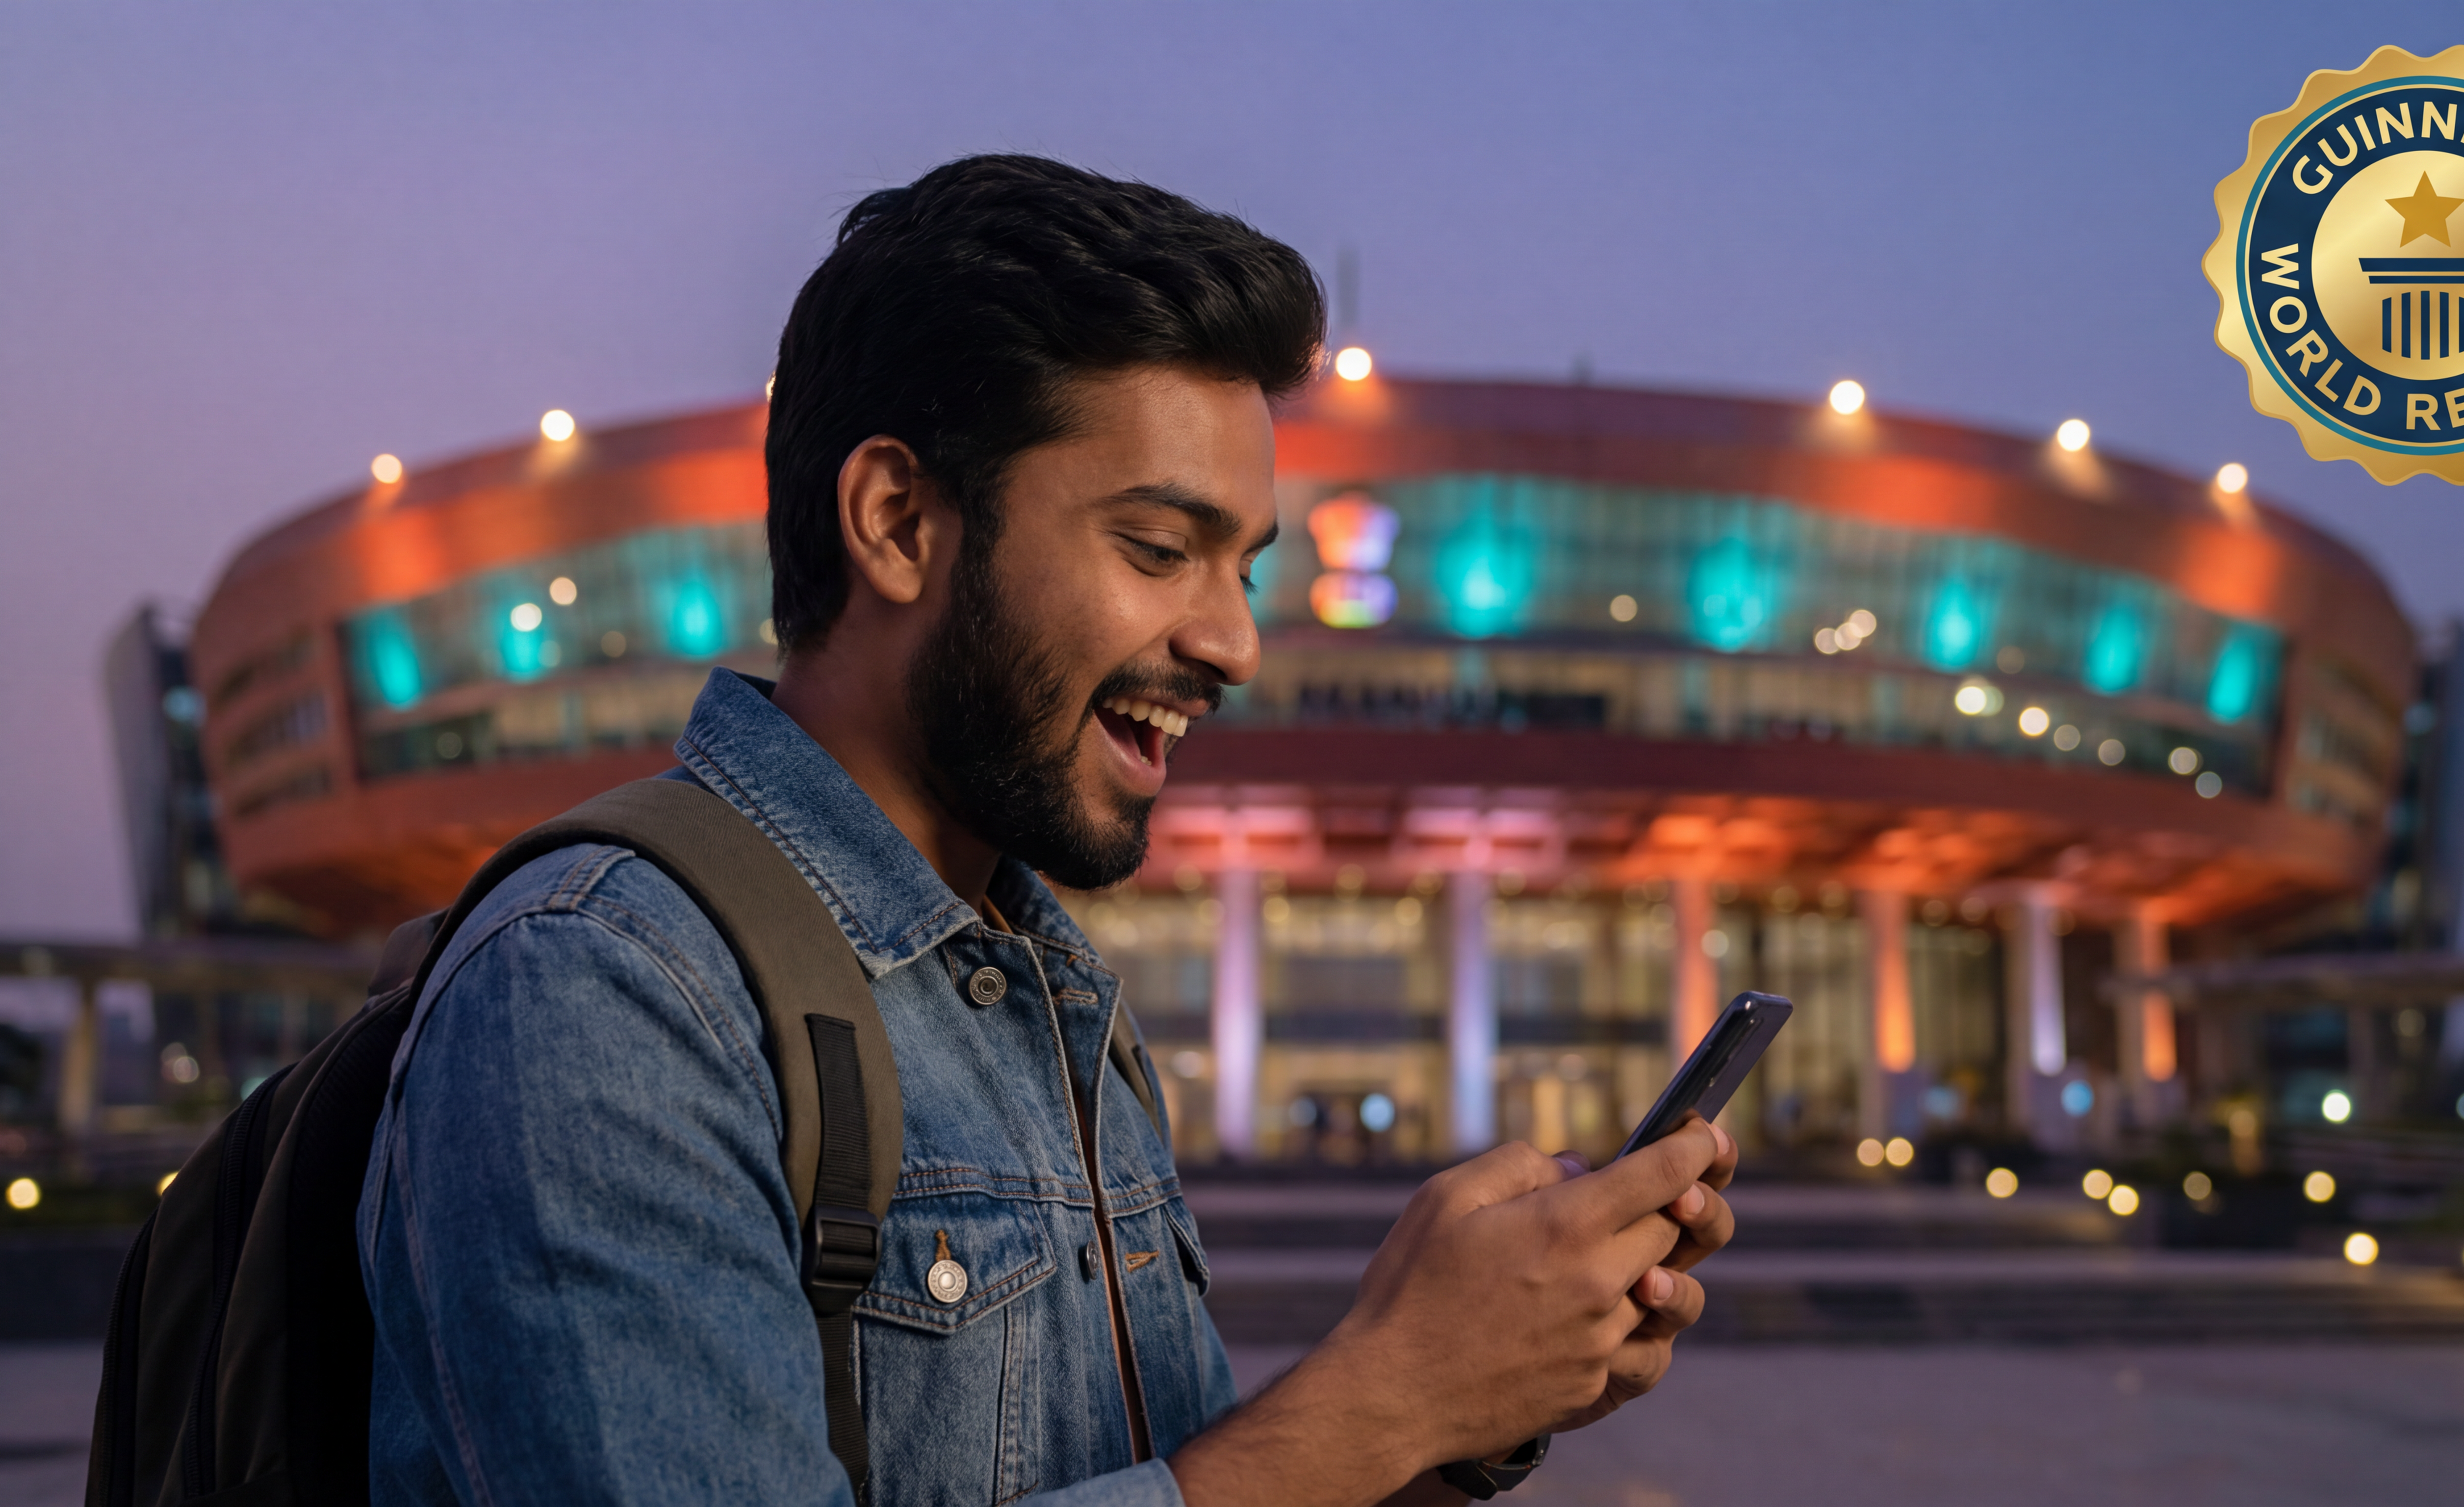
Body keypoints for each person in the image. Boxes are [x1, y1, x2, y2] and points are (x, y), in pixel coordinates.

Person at [358, 155, 1738, 1506]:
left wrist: (1460, 1407)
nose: (1235, 642)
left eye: (1244, 566)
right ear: (899, 523)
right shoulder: (606, 988)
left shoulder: (1048, 993)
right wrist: (1388, 1397)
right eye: (1157, 549)